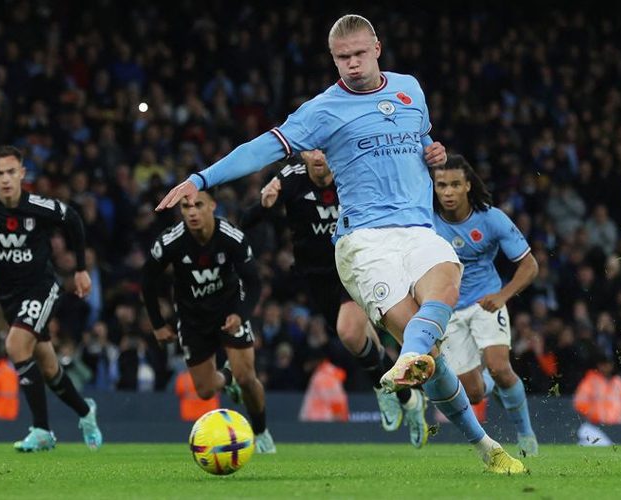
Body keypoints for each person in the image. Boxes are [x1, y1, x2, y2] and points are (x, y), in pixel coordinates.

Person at [156, 14, 524, 472]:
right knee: (428, 351)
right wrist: (201, 177)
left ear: (377, 48)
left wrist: (432, 151)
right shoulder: (323, 110)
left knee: (447, 280)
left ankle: (431, 385)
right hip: (364, 241)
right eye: (341, 57)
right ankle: (481, 441)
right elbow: (261, 149)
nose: (351, 64)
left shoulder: (411, 89)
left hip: (417, 229)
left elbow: (421, 140)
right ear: (334, 59)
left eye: (358, 54)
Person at [244, 149, 427, 447]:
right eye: (311, 149)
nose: (318, 156)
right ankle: (408, 400)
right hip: (317, 277)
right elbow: (248, 219)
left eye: (326, 148)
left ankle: (385, 391)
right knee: (361, 343)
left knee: (349, 331)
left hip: (356, 263)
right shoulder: (290, 180)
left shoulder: (354, 173)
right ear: (302, 154)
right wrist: (264, 205)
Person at [0, 145, 102, 452]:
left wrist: (80, 269)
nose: (6, 179)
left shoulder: (38, 206)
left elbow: (74, 221)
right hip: (9, 296)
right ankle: (85, 411)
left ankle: (41, 430)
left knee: (14, 345)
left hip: (42, 286)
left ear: (22, 174)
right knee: (49, 368)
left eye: (11, 172)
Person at [142, 189, 275, 453]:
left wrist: (241, 314)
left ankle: (261, 433)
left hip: (228, 311)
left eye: (198, 205)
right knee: (204, 391)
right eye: (185, 207)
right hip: (192, 319)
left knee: (248, 378)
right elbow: (147, 280)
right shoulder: (171, 242)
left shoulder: (231, 237)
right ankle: (228, 378)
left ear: (212, 206)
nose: (192, 212)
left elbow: (254, 282)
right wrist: (157, 324)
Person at [431, 154, 540, 456]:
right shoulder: (425, 219)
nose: (448, 192)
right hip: (449, 310)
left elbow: (529, 265)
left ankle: (525, 434)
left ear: (467, 186)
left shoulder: (491, 218)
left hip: (486, 301)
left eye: (454, 185)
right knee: (475, 393)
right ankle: (486, 380)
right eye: (442, 185)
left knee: (501, 367)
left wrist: (503, 296)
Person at [573, 355, 621, 446]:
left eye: (608, 364)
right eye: (603, 364)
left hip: (616, 426)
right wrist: (592, 414)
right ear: (599, 365)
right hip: (595, 427)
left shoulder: (618, 382)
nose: (606, 367)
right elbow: (580, 402)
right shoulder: (591, 381)